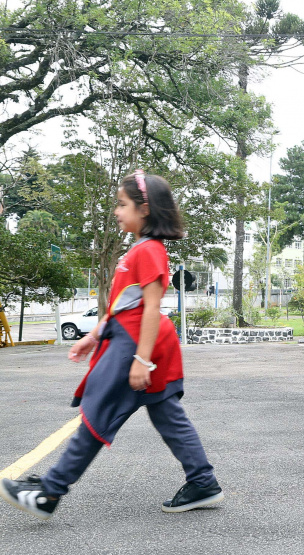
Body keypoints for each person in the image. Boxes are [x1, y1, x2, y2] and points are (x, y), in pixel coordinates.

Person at [0, 170, 222, 520]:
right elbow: (123, 303)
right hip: (136, 341)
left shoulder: (148, 250)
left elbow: (151, 307)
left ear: (145, 209)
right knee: (169, 417)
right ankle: (203, 481)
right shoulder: (138, 249)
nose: (117, 211)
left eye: (122, 204)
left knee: (97, 415)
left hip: (136, 346)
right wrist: (93, 335)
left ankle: (50, 492)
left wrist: (141, 360)